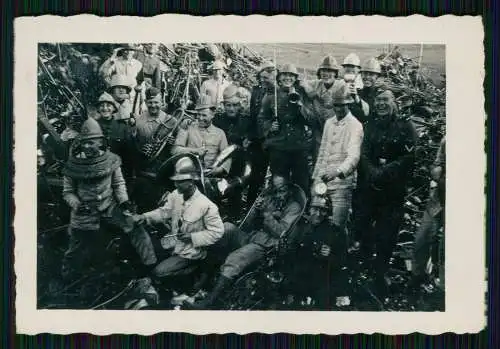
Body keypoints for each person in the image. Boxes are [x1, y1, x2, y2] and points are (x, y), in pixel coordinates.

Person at [60, 118, 157, 288]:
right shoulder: (73, 165)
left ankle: (150, 266)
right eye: (85, 143)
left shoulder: (111, 160)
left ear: (101, 142)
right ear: (80, 143)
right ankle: (67, 276)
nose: (89, 147)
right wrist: (76, 204)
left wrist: (125, 202)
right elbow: (68, 192)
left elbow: (118, 184)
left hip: (111, 206)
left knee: (136, 227)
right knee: (76, 245)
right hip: (85, 210)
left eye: (93, 143)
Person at [186, 174, 301, 309]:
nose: (278, 194)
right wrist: (255, 211)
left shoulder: (294, 207)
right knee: (226, 228)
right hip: (252, 237)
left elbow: (281, 233)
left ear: (290, 189)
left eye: (282, 190)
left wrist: (266, 215)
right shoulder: (270, 199)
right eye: (275, 190)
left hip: (266, 246)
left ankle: (210, 300)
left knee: (235, 258)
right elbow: (247, 225)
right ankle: (203, 280)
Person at [352, 87, 418, 296]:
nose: (381, 104)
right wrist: (372, 171)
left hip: (393, 190)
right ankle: (363, 265)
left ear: (394, 103)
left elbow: (410, 156)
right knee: (362, 225)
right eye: (378, 100)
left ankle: (380, 272)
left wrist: (387, 171)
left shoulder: (405, 126)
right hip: (369, 186)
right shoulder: (368, 126)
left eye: (385, 100)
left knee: (387, 232)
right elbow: (362, 153)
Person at [132, 156, 224, 280]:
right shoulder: (176, 195)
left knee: (158, 273)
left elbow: (217, 232)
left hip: (190, 252)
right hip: (171, 244)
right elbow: (164, 212)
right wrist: (144, 217)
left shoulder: (207, 206)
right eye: (175, 181)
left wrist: (192, 237)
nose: (176, 184)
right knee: (142, 260)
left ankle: (195, 271)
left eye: (180, 182)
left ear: (191, 182)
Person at [310, 84, 364, 248]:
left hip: (342, 182)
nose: (339, 109)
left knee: (337, 223)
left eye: (343, 105)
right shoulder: (329, 123)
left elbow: (354, 156)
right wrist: (316, 177)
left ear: (349, 104)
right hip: (323, 179)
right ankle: (316, 257)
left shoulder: (355, 125)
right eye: (336, 105)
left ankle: (339, 260)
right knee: (316, 218)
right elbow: (323, 151)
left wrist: (338, 171)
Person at [258, 63, 312, 194]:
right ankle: (279, 209)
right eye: (284, 75)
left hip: (298, 146)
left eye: (291, 75)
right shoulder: (271, 96)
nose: (288, 78)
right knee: (279, 181)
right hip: (279, 146)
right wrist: (270, 126)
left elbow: (311, 119)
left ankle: (301, 209)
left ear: (295, 78)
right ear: (279, 78)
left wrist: (300, 105)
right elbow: (261, 118)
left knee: (302, 181)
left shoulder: (302, 94)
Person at [410, 137, 445, 291]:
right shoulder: (446, 140)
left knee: (445, 244)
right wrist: (437, 172)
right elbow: (436, 167)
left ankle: (443, 285)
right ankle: (417, 276)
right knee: (422, 237)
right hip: (438, 198)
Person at [212, 84, 251, 220]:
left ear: (240, 105)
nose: (231, 108)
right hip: (220, 160)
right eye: (228, 105)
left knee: (236, 187)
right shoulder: (218, 119)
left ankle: (235, 216)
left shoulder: (246, 121)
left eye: (234, 105)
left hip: (240, 162)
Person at [300, 55, 345, 160]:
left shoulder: (341, 86)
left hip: (337, 132)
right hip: (319, 131)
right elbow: (302, 83)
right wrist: (308, 89)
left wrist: (316, 95)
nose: (326, 74)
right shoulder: (316, 84)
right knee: (319, 161)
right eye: (323, 70)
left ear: (335, 73)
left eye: (330, 71)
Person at [172, 97, 230, 176]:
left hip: (210, 176)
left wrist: (219, 170)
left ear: (212, 115)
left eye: (204, 115)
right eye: (198, 114)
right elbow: (175, 150)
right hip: (188, 174)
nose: (200, 118)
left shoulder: (220, 133)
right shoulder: (187, 126)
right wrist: (195, 150)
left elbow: (227, 156)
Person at [246, 60, 276, 206]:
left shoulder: (276, 92)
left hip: (272, 139)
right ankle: (251, 204)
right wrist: (250, 137)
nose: (263, 80)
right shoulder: (256, 91)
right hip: (258, 139)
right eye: (261, 77)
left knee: (273, 174)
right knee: (256, 173)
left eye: (266, 78)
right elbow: (252, 116)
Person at [94, 92, 135, 181]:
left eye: (108, 105)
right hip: (97, 175)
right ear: (98, 108)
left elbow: (129, 156)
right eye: (102, 105)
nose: (105, 108)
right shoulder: (92, 127)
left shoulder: (122, 127)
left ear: (113, 108)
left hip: (119, 175)